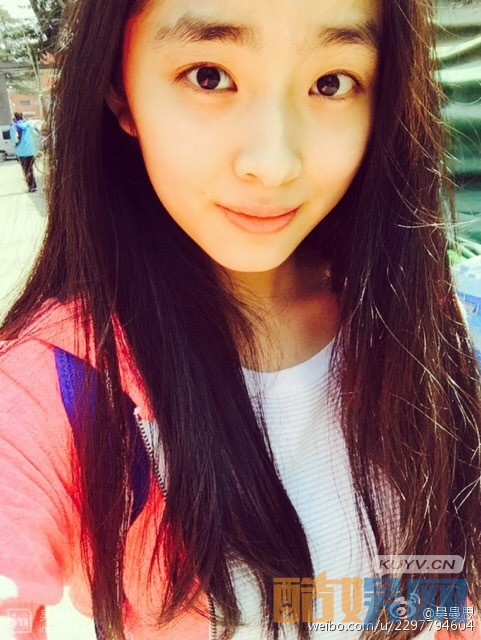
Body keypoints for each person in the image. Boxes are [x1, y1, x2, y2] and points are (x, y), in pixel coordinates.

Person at [0, 0, 480, 638]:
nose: (274, 164)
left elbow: (445, 585)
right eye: (209, 76)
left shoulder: (412, 312)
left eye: (330, 83)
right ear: (120, 90)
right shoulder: (60, 383)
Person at [9, 112, 38, 193]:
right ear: (22, 116)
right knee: (30, 169)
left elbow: (14, 139)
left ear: (14, 117)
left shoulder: (14, 126)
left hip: (22, 152)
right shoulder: (29, 124)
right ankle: (33, 185)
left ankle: (31, 187)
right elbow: (35, 134)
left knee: (26, 170)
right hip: (31, 151)